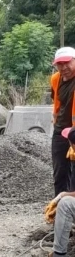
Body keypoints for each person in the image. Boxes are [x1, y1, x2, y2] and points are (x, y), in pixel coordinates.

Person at [50, 47, 75, 197]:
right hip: (60, 131)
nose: (63, 67)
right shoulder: (55, 79)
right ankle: (59, 208)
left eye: (67, 63)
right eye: (60, 64)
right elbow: (57, 102)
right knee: (60, 171)